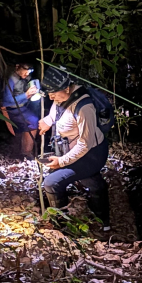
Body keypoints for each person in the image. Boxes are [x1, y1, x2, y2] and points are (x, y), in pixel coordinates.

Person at [36, 65, 109, 218]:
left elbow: (85, 143)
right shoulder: (60, 97)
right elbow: (56, 115)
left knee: (52, 182)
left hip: (92, 154)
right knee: (89, 180)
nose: (51, 97)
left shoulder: (84, 107)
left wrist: (61, 162)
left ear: (67, 89)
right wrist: (48, 121)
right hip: (72, 150)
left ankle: (60, 223)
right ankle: (101, 209)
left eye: (53, 93)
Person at [0, 62, 43, 157]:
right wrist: (26, 95)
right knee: (33, 121)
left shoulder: (26, 78)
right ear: (17, 67)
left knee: (34, 117)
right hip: (11, 109)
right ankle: (26, 152)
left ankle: (24, 151)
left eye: (30, 70)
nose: (27, 73)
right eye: (26, 70)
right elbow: (7, 101)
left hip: (23, 106)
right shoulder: (11, 79)